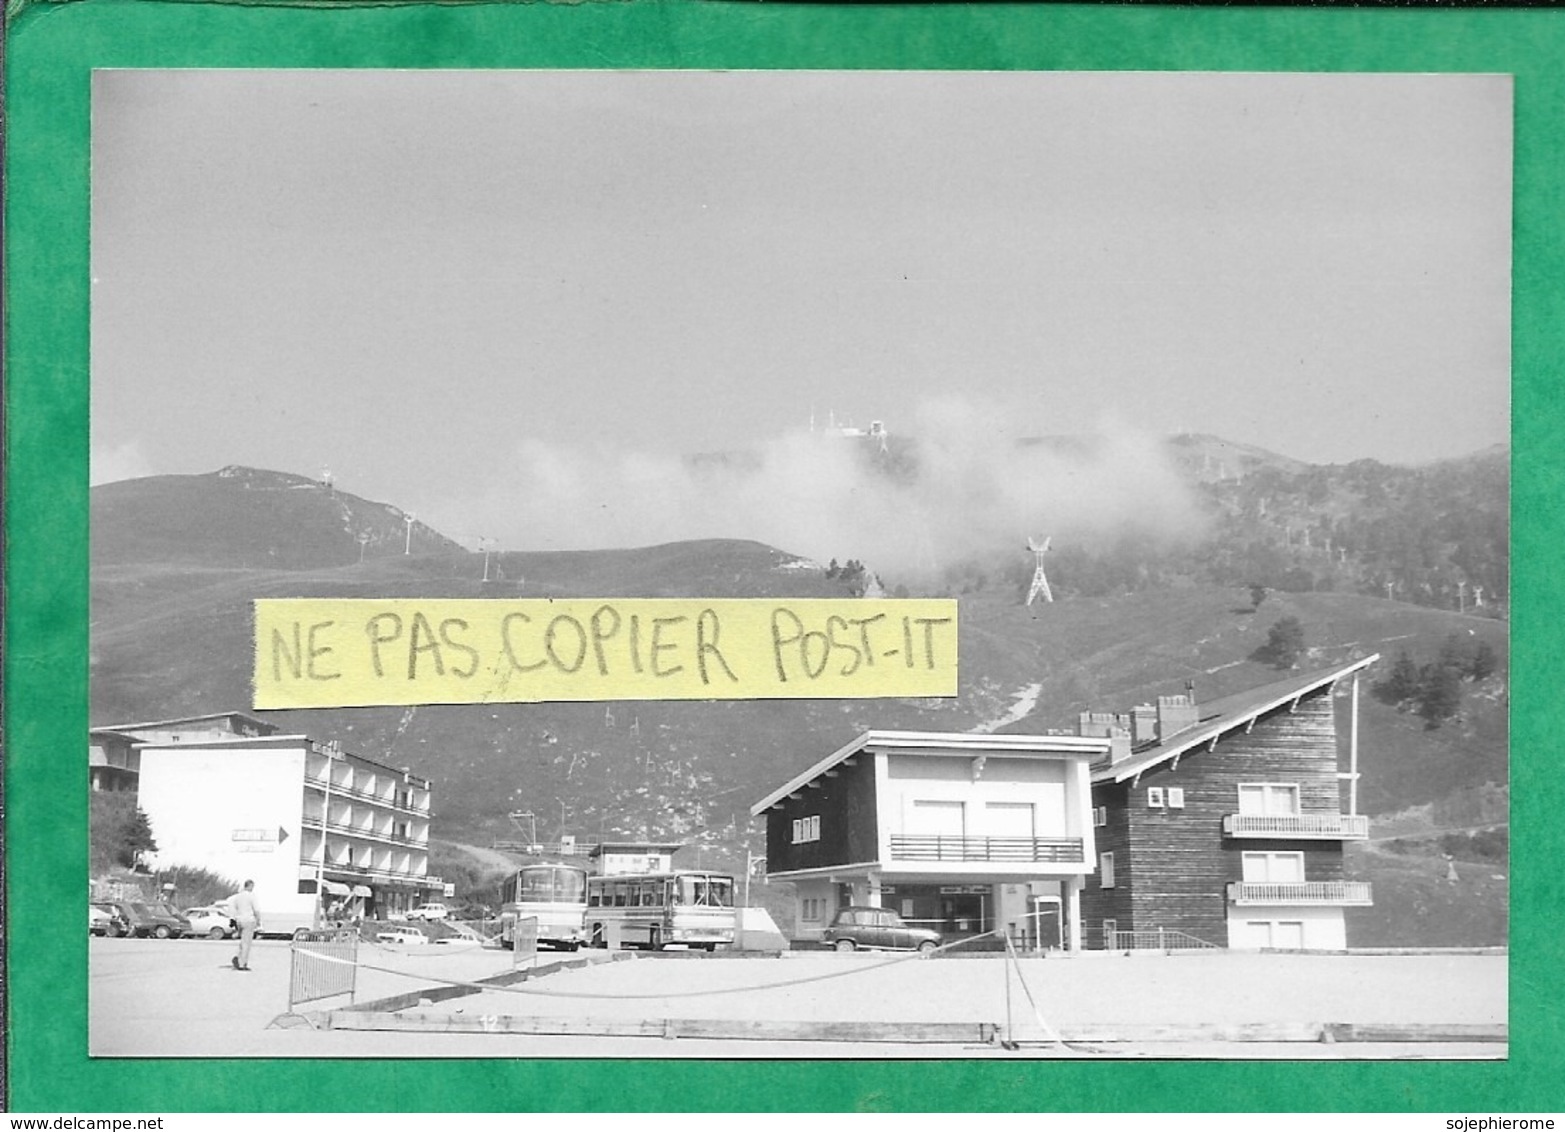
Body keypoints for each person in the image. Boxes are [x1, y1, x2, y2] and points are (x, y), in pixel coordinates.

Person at [225, 880, 262, 970]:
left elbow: (232, 909)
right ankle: (242, 964)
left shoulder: (237, 897)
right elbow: (256, 909)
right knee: (246, 943)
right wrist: (258, 921)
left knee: (242, 942)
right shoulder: (251, 896)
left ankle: (238, 958)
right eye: (252, 887)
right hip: (248, 920)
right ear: (250, 886)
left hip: (239, 920)